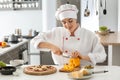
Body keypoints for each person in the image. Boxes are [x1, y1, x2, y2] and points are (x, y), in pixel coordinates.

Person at [31, 4, 106, 66]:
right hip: (61, 71)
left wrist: (84, 57)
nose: (67, 25)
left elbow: (102, 55)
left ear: (75, 19)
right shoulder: (56, 32)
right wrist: (52, 47)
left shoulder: (89, 35)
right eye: (64, 22)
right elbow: (34, 40)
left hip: (84, 71)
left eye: (70, 21)